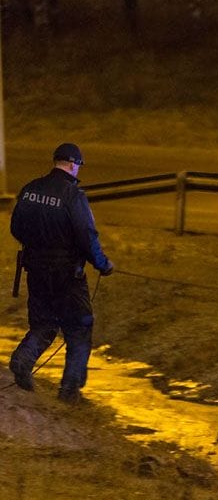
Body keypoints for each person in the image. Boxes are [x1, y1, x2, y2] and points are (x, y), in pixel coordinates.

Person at [8, 143, 114, 403]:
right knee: (79, 328)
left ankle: (23, 359)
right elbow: (87, 237)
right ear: (73, 164)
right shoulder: (73, 195)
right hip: (68, 275)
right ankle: (69, 391)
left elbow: (16, 228)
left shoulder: (31, 189)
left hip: (35, 269)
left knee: (44, 323)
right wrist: (103, 264)